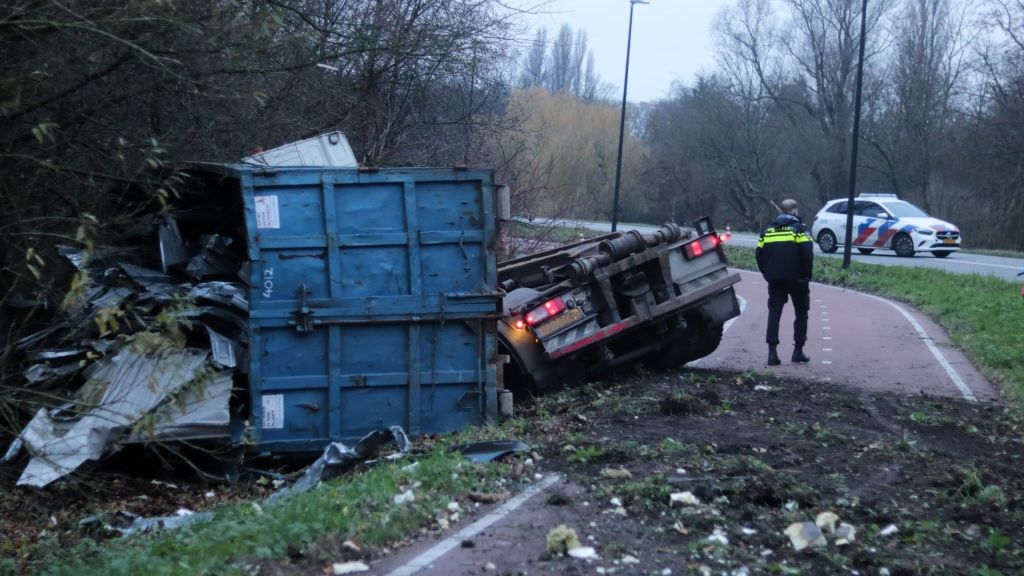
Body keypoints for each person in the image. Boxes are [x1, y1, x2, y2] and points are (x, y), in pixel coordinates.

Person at [755, 199, 814, 365]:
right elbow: (807, 254)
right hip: (798, 279)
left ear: (781, 211)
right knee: (801, 313)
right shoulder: (800, 230)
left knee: (774, 313)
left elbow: (759, 254)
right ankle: (798, 351)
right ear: (795, 211)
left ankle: (772, 353)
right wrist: (806, 275)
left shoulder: (768, 231)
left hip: (775, 280)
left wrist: (767, 273)